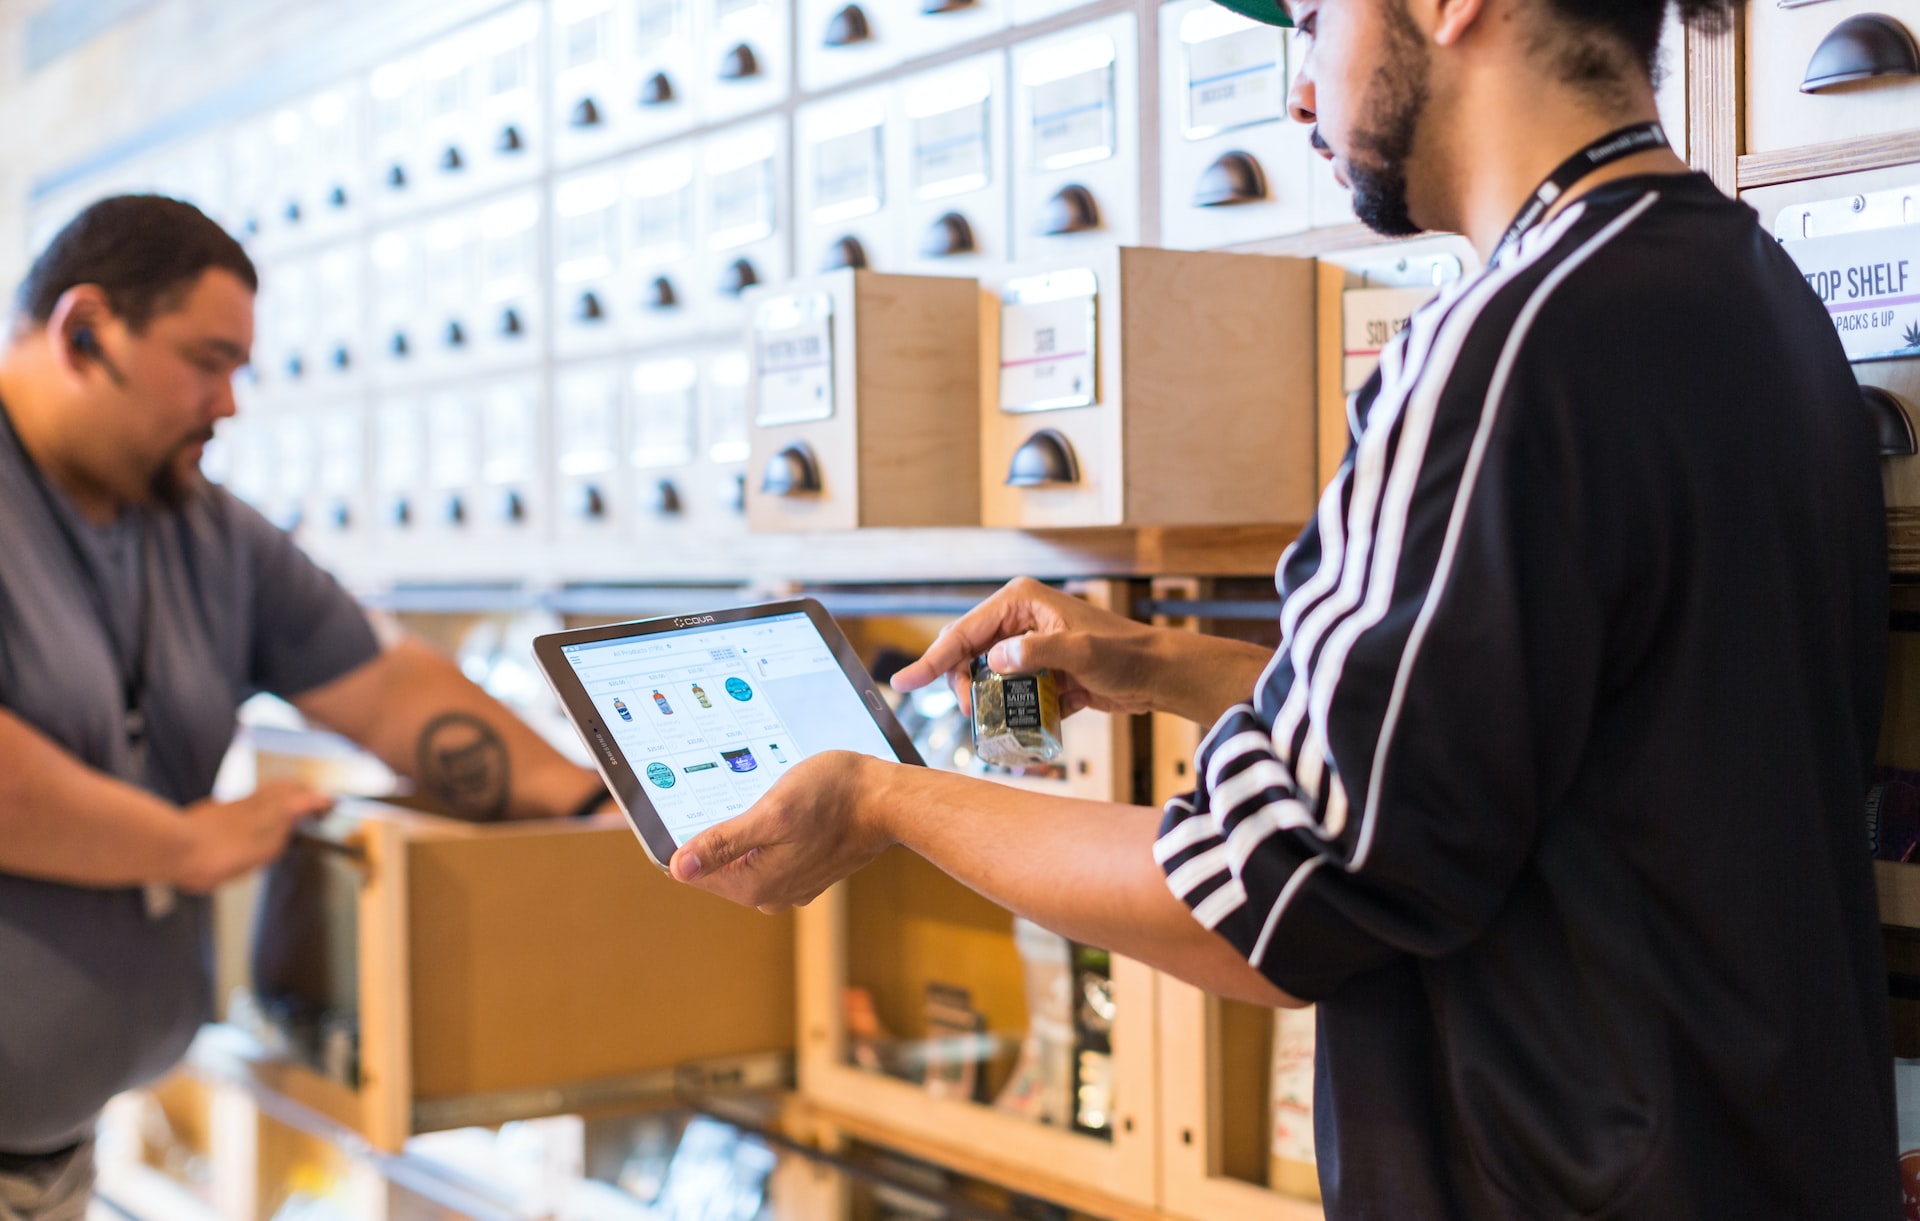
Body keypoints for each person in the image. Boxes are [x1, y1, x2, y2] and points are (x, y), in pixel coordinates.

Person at [670, 0, 1899, 1213]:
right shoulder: (1747, 291)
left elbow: (1258, 906)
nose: (1299, 90)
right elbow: (1551, 744)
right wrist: (1166, 661)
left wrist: (889, 797)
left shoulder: (1503, 345)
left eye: (1313, 21)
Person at [0, 195, 612, 1219]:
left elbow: (386, 687)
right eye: (207, 360)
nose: (228, 403)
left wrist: (593, 804)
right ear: (85, 330)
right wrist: (183, 844)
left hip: (58, 1158)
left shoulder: (200, 528)